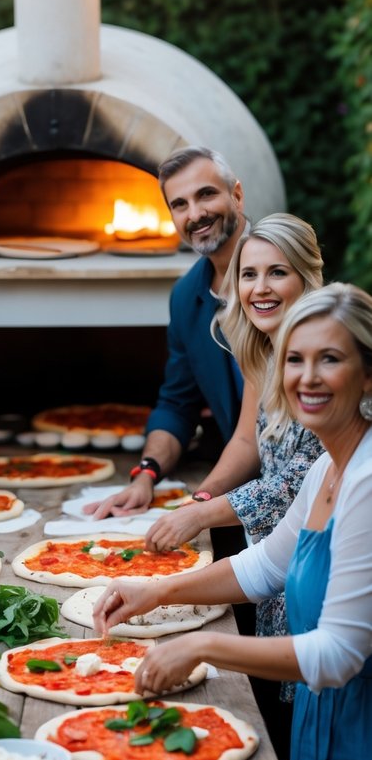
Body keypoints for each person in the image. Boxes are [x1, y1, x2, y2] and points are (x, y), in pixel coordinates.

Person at [92, 283, 372, 760]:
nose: (308, 377)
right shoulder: (331, 466)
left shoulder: (367, 481)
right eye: (296, 359)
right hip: (319, 726)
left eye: (331, 359)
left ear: (369, 373)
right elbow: (264, 565)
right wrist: (154, 591)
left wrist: (200, 644)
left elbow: (340, 653)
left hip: (360, 736)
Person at [142, 214, 325, 760]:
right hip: (270, 561)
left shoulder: (322, 366)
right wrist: (197, 503)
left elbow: (298, 486)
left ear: (308, 278)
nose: (260, 288)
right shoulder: (262, 351)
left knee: (306, 735)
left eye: (278, 273)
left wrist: (203, 516)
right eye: (249, 275)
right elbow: (248, 441)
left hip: (315, 570)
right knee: (277, 733)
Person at [90, 146, 248, 519]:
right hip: (233, 491)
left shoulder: (278, 279)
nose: (196, 214)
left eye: (206, 194)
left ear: (237, 195)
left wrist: (200, 502)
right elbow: (178, 402)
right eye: (180, 204)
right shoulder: (184, 297)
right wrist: (145, 474)